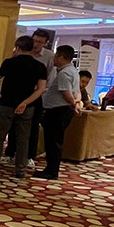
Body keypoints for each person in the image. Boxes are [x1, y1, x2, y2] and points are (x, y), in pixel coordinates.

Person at [0, 36, 47, 179]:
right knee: (23, 139)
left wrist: (11, 56)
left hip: (6, 104)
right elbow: (41, 89)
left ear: (17, 47)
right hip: (27, 107)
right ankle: (20, 169)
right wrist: (25, 102)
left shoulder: (9, 63)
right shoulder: (39, 66)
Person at [35, 45, 80, 180]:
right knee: (55, 142)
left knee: (53, 143)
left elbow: (66, 93)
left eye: (56, 55)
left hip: (57, 111)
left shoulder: (64, 73)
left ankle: (51, 171)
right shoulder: (73, 71)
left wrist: (73, 104)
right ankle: (51, 169)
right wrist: (76, 103)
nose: (53, 58)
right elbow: (77, 92)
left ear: (61, 57)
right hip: (61, 111)